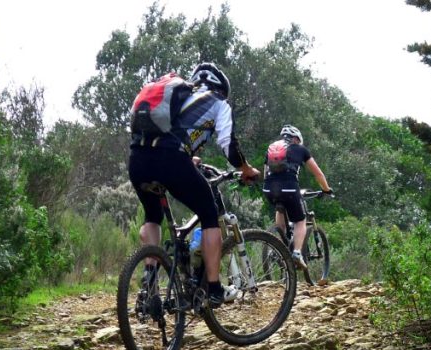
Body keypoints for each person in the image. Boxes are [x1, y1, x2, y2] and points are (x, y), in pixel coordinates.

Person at [128, 62, 260, 308]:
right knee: (209, 213)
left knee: (152, 216)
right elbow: (229, 145)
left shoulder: (180, 96)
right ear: (222, 87)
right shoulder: (218, 102)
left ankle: (150, 283)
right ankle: (213, 288)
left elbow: (171, 133)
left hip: (137, 159)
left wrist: (189, 156)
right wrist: (245, 169)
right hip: (169, 160)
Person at [262, 124, 333, 270]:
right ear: (296, 139)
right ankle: (296, 253)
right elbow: (318, 173)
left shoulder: (271, 150)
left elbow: (265, 173)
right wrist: (326, 189)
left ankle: (277, 247)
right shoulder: (301, 150)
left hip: (269, 189)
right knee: (300, 221)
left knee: (280, 209)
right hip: (289, 188)